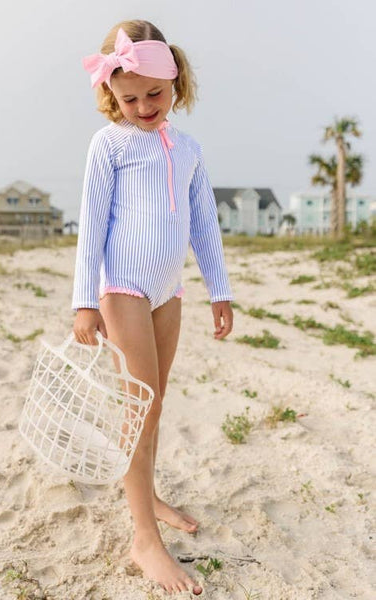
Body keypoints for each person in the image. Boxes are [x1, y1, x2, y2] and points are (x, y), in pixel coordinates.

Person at [72, 20, 234, 596]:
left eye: (155, 94)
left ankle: (149, 496)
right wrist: (84, 302)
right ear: (111, 92)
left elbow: (205, 226)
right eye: (129, 96)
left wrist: (220, 289)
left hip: (171, 291)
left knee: (156, 402)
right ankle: (144, 537)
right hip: (124, 289)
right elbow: (91, 228)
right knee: (137, 407)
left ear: (176, 81)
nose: (143, 107)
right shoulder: (109, 145)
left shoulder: (187, 150)